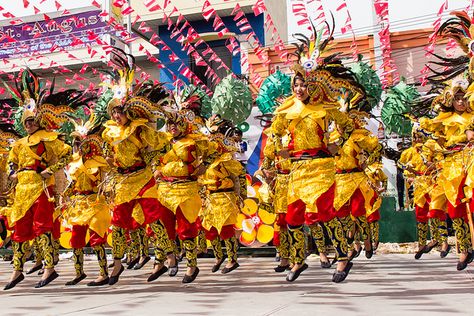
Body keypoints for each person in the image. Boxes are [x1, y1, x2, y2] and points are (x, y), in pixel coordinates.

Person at [270, 26, 366, 282]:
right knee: (292, 219)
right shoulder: (286, 109)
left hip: (321, 167)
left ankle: (342, 257)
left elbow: (347, 126)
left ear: (312, 84)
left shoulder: (325, 108)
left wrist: (337, 143)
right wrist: (277, 149)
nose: (299, 88)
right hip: (297, 171)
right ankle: (299, 261)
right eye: (296, 84)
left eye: (303, 84)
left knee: (324, 215)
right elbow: (274, 132)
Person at [101, 49, 174, 285]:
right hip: (122, 181)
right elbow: (106, 154)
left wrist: (154, 167)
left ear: (127, 112)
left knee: (153, 218)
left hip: (142, 178)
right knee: (119, 222)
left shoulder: (140, 129)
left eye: (120, 111)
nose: (116, 115)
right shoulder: (110, 133)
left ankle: (169, 256)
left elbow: (159, 148)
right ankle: (118, 263)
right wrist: (110, 164)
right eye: (113, 111)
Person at [2, 69, 73, 290]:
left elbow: (68, 153)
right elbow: (12, 162)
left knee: (42, 228)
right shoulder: (20, 143)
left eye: (33, 120)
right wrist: (13, 172)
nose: (30, 124)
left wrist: (50, 169)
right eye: (27, 121)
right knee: (20, 231)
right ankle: (17, 271)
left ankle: (50, 268)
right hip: (22, 190)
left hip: (42, 188)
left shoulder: (49, 138)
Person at [62, 116, 112, 286]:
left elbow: (107, 181)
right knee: (76, 240)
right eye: (76, 143)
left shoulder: (100, 162)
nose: (79, 147)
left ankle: (103, 274)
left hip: (95, 203)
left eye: (82, 143)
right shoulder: (74, 162)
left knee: (97, 240)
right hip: (79, 205)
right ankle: (79, 273)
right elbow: (73, 183)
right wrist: (64, 194)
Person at [199, 117, 244, 274]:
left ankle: (232, 260)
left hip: (225, 196)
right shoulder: (204, 159)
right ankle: (219, 257)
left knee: (226, 230)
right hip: (209, 197)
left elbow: (236, 178)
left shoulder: (227, 158)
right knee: (209, 230)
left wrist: (239, 197)